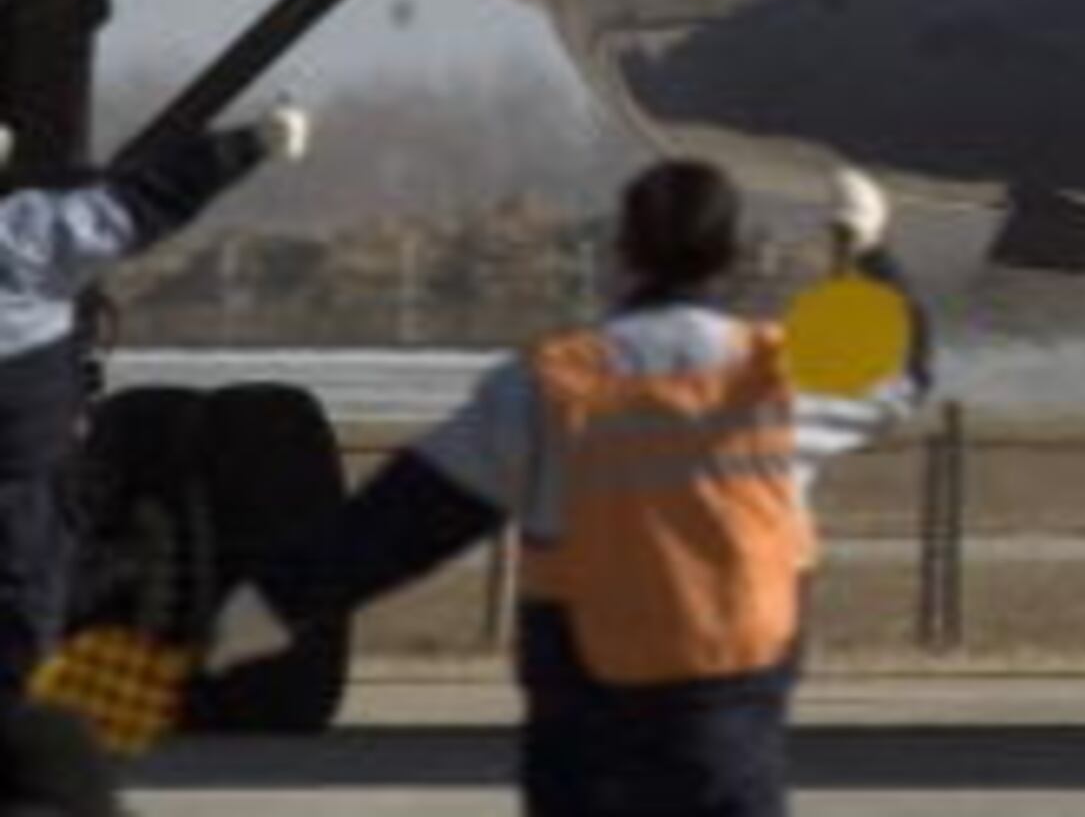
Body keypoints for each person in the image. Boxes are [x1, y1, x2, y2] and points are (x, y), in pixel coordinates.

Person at [215, 159, 927, 817]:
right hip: (727, 694)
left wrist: (273, 602)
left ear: (626, 252)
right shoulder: (775, 376)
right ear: (731, 255)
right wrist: (865, 252)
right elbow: (906, 366)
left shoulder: (552, 383)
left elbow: (407, 518)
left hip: (589, 704)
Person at [0, 106, 310, 688]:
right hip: (25, 472)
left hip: (27, 473)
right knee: (26, 605)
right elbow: (144, 200)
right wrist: (248, 145)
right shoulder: (27, 235)